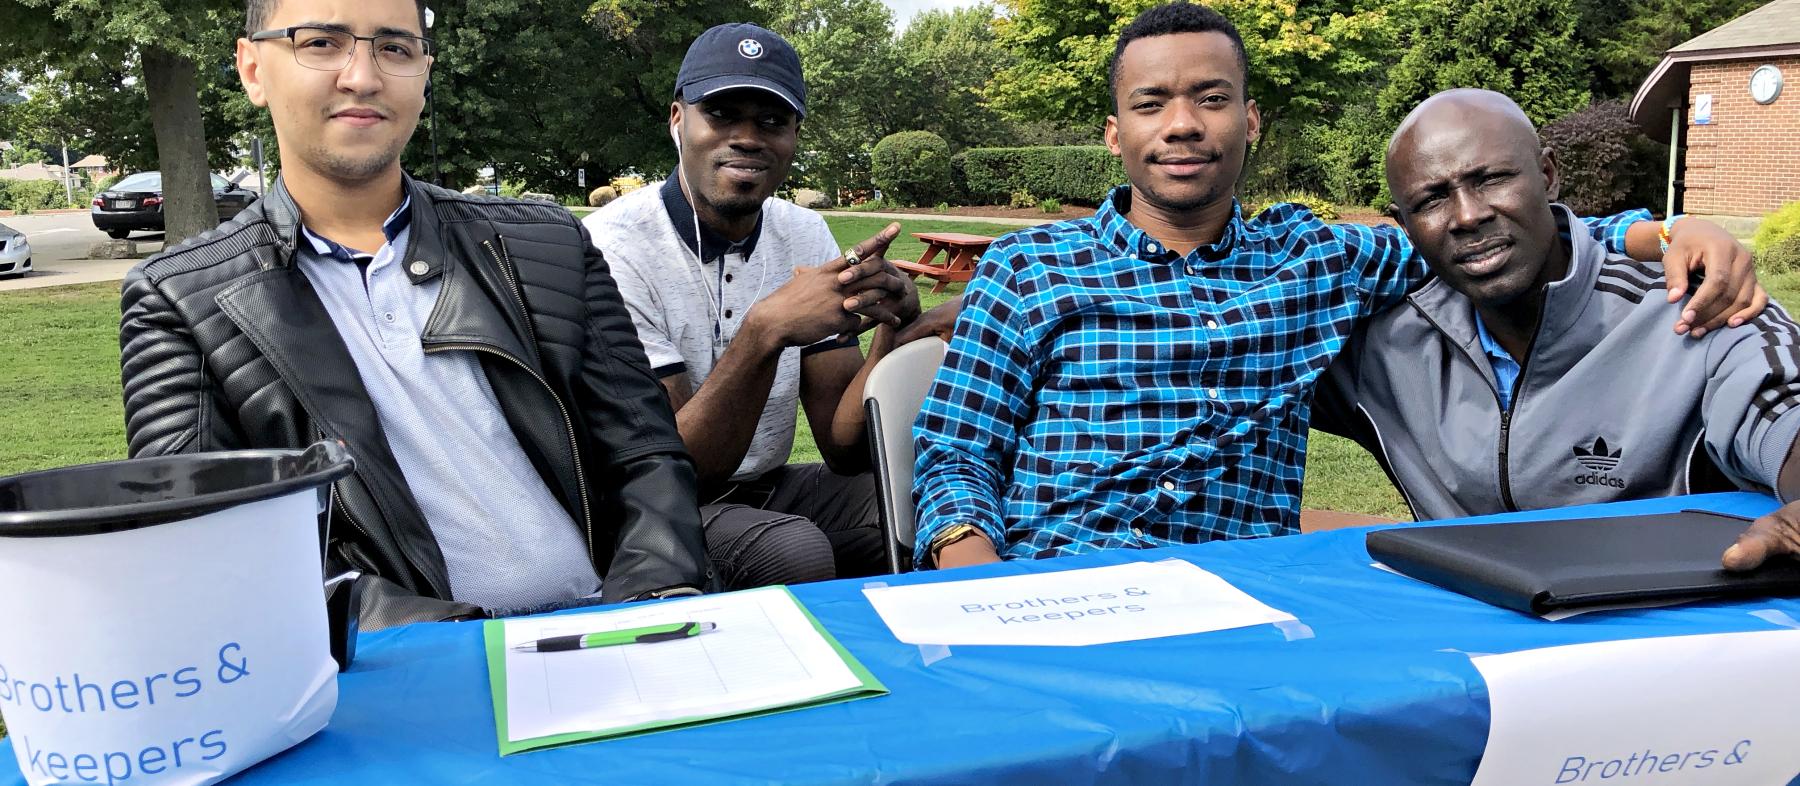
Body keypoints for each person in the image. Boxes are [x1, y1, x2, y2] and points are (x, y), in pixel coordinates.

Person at [910, 1, 1763, 571]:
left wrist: (1672, 231)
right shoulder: (1030, 270)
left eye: (1211, 98)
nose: (1181, 124)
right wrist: (981, 584)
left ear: (1249, 121)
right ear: (1114, 132)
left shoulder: (1320, 259)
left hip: (1241, 593)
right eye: (1151, 103)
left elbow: (1493, 233)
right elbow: (953, 452)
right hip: (1055, 578)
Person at [118, 0, 709, 627]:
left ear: (424, 73)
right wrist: (455, 644)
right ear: (253, 69)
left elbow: (647, 457)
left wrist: (647, 606)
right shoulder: (182, 299)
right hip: (409, 671)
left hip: (611, 634)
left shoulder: (548, 244)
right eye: (321, 42)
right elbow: (207, 548)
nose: (363, 76)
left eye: (395, 48)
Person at [1313, 88, 1800, 570]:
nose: (1468, 215)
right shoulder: (1382, 350)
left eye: (1491, 179)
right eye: (1432, 200)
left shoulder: (1695, 312)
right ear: (1406, 224)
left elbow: (1782, 407)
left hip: (1666, 634)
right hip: (1470, 640)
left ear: (1547, 176)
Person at [583, 24, 918, 587]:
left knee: (919, 496)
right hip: (644, 511)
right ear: (676, 120)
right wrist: (766, 331)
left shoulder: (804, 234)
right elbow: (679, 474)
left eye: (771, 121)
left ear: (793, 135)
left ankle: (911, 665)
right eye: (722, 114)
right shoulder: (612, 249)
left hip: (766, 485)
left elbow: (842, 449)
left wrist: (893, 328)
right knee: (793, 551)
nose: (747, 138)